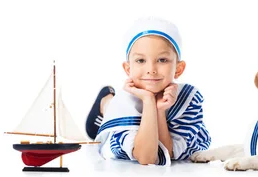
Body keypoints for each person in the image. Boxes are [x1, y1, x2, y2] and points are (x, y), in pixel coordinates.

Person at [85, 16, 211, 166]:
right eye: (140, 61)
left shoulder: (188, 97)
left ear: (178, 68)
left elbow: (166, 153)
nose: (151, 70)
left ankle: (107, 103)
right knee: (116, 105)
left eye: (162, 60)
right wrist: (148, 100)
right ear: (128, 68)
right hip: (130, 104)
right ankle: (106, 103)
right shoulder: (125, 103)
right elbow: (146, 157)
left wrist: (159, 110)